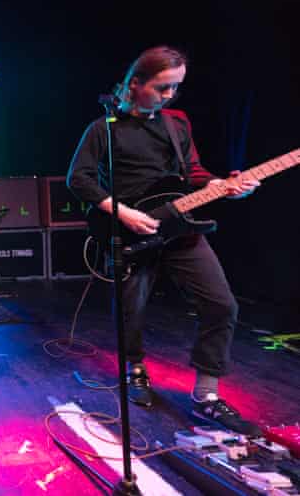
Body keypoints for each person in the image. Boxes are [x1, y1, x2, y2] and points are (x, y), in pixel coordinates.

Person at [66, 46, 262, 436]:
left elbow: (192, 172)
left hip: (179, 227)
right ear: (134, 84)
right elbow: (79, 178)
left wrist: (223, 186)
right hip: (130, 230)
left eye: (176, 87)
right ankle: (134, 368)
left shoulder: (177, 123)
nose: (169, 95)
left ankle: (207, 394)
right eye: (162, 87)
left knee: (221, 304)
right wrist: (122, 212)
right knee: (131, 311)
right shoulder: (104, 128)